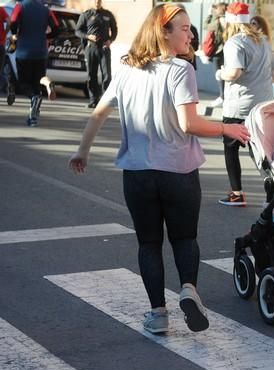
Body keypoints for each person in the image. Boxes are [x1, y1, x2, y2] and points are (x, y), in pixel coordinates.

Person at [67, 4, 250, 334]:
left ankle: (157, 314)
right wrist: (227, 129)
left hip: (137, 175)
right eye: (183, 28)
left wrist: (82, 152)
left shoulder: (125, 70)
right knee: (184, 238)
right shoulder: (181, 70)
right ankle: (189, 290)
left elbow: (98, 114)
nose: (190, 34)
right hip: (178, 172)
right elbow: (189, 123)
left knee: (148, 244)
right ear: (163, 32)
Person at [216, 2, 274, 206]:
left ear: (229, 22)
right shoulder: (264, 41)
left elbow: (234, 73)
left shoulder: (234, 42)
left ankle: (237, 193)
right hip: (263, 104)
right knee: (260, 150)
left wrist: (220, 73)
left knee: (230, 149)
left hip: (239, 106)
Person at [9, 0, 59, 127]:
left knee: (23, 83)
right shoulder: (46, 9)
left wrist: (16, 33)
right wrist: (46, 37)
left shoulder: (20, 6)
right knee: (38, 81)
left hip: (24, 51)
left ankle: (33, 101)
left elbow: (13, 21)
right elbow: (57, 28)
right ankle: (33, 117)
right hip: (41, 51)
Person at [75, 0, 118, 108]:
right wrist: (88, 36)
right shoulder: (86, 14)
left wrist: (110, 40)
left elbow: (114, 29)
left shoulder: (108, 14)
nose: (97, 2)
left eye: (99, 0)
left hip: (104, 49)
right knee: (91, 75)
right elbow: (78, 31)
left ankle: (106, 101)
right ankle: (93, 99)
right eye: (95, 0)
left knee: (107, 75)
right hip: (91, 48)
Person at [204, 2, 227, 107]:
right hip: (227, 52)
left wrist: (209, 14)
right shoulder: (229, 21)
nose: (215, 10)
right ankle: (224, 97)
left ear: (220, 10)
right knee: (226, 75)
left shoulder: (218, 21)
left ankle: (222, 97)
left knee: (220, 75)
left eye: (216, 9)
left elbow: (206, 26)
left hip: (219, 53)